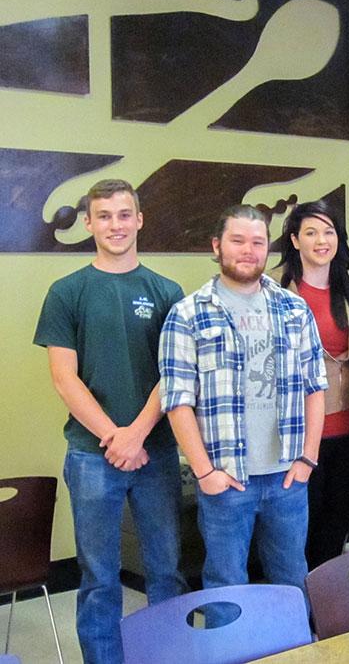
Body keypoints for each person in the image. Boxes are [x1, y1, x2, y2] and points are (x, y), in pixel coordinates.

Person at [33, 179, 187, 664]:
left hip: (156, 452)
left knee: (166, 571)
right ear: (88, 223)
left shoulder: (167, 292)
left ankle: (167, 657)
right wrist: (114, 438)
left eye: (124, 215)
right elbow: (64, 378)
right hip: (91, 455)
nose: (115, 225)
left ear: (139, 220)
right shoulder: (67, 292)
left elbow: (174, 374)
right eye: (104, 216)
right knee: (99, 578)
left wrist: (137, 435)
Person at [159, 205, 327, 598]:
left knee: (292, 579)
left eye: (258, 242)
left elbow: (315, 387)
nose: (248, 250)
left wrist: (307, 458)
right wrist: (204, 472)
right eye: (237, 241)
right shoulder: (188, 315)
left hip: (287, 476)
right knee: (225, 584)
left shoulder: (293, 308)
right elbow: (177, 401)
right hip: (226, 478)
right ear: (216, 246)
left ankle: (292, 641)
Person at [275, 200, 349, 570]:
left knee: (337, 523)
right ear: (295, 240)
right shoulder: (278, 293)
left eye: (328, 232)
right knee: (302, 529)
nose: (321, 241)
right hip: (301, 434)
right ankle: (302, 599)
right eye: (311, 232)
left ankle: (328, 597)